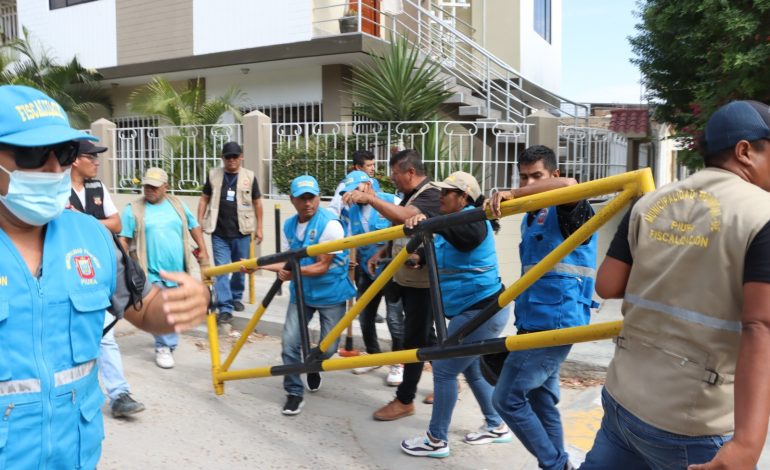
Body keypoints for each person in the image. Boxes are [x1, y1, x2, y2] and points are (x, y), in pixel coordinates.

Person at [0, 84, 208, 469]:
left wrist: (183, 304)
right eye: (31, 154)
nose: (53, 169)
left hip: (75, 452)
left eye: (63, 153)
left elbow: (143, 309)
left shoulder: (94, 237)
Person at [581, 101, 770, 470]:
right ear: (745, 151)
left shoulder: (648, 203)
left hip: (622, 399)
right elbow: (760, 325)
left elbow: (607, 284)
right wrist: (747, 444)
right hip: (691, 421)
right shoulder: (762, 214)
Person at [486, 145, 597, 470]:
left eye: (537, 177)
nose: (530, 184)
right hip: (534, 320)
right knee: (541, 398)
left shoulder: (569, 210)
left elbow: (570, 187)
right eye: (524, 177)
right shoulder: (533, 216)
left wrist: (515, 191)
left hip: (558, 321)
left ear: (554, 175)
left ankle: (555, 464)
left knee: (506, 399)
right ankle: (557, 463)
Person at [399, 172, 513, 458]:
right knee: (471, 370)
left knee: (444, 368)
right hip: (473, 310)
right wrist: (417, 257)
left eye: (446, 192)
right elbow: (438, 247)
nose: (440, 197)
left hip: (482, 310)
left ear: (464, 197)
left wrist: (426, 219)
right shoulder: (449, 226)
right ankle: (496, 425)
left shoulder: (475, 218)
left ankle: (436, 440)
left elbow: (466, 239)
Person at [344, 149, 441, 420]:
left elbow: (402, 216)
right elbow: (404, 230)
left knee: (414, 339)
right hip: (408, 278)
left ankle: (405, 399)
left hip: (424, 281)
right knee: (426, 335)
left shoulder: (430, 194)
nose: (392, 179)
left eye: (395, 174)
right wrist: (382, 252)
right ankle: (448, 380)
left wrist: (370, 199)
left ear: (410, 172)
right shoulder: (412, 195)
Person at [257, 175, 356, 416]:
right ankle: (293, 392)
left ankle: (313, 363)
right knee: (289, 343)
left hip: (331, 294)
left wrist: (290, 274)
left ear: (318, 197)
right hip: (301, 293)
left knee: (329, 348)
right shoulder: (289, 225)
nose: (307, 203)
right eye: (301, 198)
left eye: (311, 197)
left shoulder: (330, 225)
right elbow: (286, 261)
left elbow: (322, 266)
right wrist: (257, 265)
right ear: (292, 200)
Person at [69, 140, 145, 418]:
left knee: (105, 334)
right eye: (92, 157)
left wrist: (83, 220)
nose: (97, 162)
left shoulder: (97, 188)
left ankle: (119, 394)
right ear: (75, 160)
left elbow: (116, 223)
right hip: (66, 272)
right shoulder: (56, 189)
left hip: (97, 270)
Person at [120, 167, 210, 369]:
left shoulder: (177, 204)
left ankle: (166, 342)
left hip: (177, 269)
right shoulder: (133, 209)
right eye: (146, 186)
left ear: (165, 187)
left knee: (172, 309)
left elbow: (193, 225)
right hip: (150, 270)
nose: (149, 190)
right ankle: (164, 346)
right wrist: (121, 265)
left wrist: (203, 248)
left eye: (154, 186)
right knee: (165, 307)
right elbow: (124, 239)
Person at [337, 170, 405, 377]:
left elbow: (406, 226)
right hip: (366, 271)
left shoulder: (391, 200)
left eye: (355, 190)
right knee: (365, 316)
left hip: (392, 270)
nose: (352, 196)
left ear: (367, 186)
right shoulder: (351, 210)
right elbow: (351, 239)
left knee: (394, 318)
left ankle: (398, 363)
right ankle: (373, 356)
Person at [198, 141, 263, 324]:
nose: (232, 160)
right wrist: (200, 221)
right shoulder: (214, 176)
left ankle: (236, 296)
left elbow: (257, 202)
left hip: (242, 232)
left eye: (235, 156)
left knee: (239, 268)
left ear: (241, 157)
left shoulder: (249, 177)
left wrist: (259, 228)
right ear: (222, 158)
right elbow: (204, 199)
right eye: (228, 157)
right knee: (220, 270)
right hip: (219, 233)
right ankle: (225, 307)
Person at [328, 148, 380, 217]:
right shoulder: (345, 185)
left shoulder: (374, 182)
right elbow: (334, 210)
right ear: (358, 167)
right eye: (369, 165)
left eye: (373, 165)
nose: (373, 168)